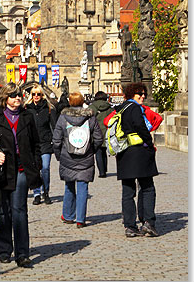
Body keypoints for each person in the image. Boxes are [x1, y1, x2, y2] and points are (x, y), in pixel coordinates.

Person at [0, 82, 41, 268]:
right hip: (1, 170)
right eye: (14, 96)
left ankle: (22, 253)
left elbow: (36, 143)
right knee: (3, 212)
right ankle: (5, 250)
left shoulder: (27, 116)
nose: (18, 99)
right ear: (6, 99)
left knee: (19, 210)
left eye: (19, 95)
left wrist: (35, 163)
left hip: (21, 169)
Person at [114, 82, 159, 238]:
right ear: (132, 94)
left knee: (128, 191)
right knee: (147, 187)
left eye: (144, 93)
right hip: (139, 151)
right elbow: (141, 127)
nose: (143, 96)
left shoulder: (120, 108)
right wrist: (150, 142)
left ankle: (130, 226)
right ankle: (148, 222)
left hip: (124, 153)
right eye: (139, 93)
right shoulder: (134, 109)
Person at [53, 92, 103, 227]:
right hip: (85, 156)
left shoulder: (63, 117)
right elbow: (99, 138)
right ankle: (80, 219)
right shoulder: (90, 117)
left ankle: (68, 215)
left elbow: (56, 140)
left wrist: (59, 155)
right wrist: (91, 150)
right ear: (82, 102)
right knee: (83, 186)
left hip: (67, 156)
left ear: (70, 102)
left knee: (69, 186)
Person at [25, 84, 57, 205]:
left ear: (42, 95)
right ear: (31, 96)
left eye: (38, 94)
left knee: (45, 168)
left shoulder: (49, 108)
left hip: (45, 142)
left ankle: (46, 192)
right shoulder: (27, 109)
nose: (36, 96)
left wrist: (55, 141)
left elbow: (54, 126)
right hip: (32, 143)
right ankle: (36, 193)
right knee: (34, 169)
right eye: (34, 94)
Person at [88, 91, 113, 178]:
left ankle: (102, 172)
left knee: (98, 152)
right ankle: (105, 169)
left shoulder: (92, 107)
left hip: (96, 132)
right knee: (104, 151)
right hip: (107, 131)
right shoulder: (109, 107)